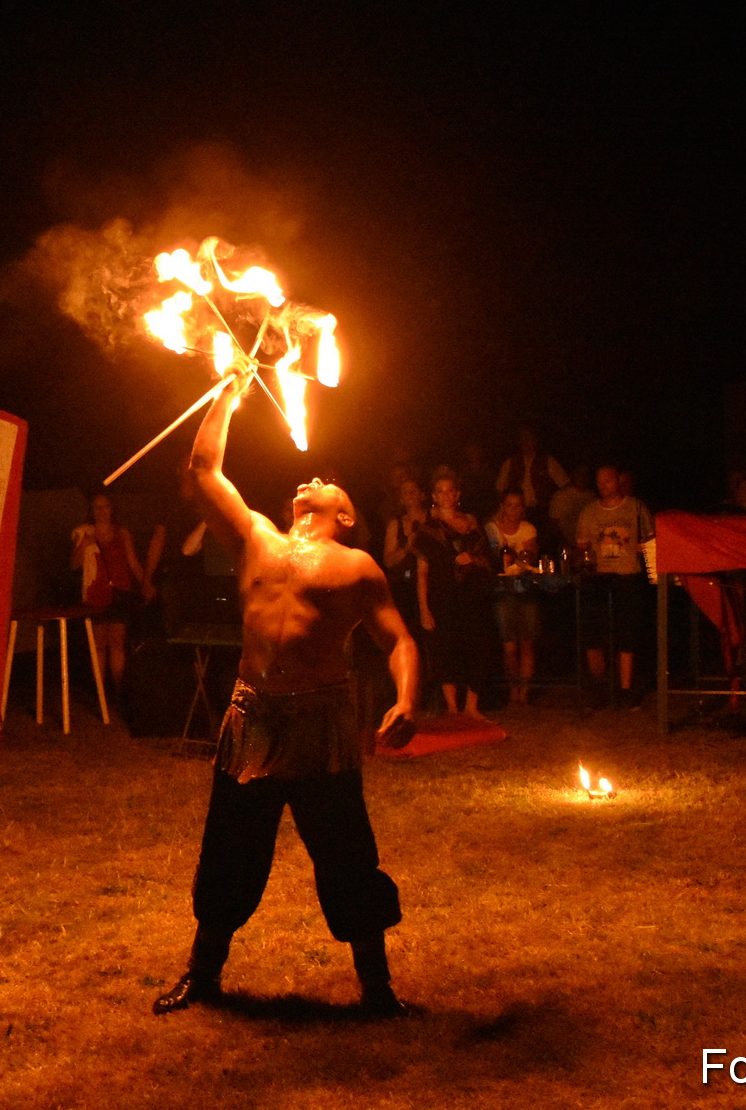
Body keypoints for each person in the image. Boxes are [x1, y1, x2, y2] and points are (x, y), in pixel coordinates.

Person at [154, 354, 419, 1018]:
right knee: (229, 852)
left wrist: (407, 699)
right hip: (252, 718)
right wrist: (229, 392)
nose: (311, 479)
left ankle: (378, 988)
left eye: (326, 482)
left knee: (346, 854)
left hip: (322, 723)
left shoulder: (357, 565)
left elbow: (400, 641)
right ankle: (203, 974)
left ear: (348, 512)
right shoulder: (256, 538)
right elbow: (203, 471)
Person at [416, 472, 498, 720]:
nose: (446, 495)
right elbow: (422, 573)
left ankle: (472, 707)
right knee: (446, 649)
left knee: (477, 646)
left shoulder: (473, 524)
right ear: (433, 496)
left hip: (473, 596)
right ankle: (452, 707)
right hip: (443, 595)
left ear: (458, 494)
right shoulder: (428, 530)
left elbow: (489, 560)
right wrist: (424, 608)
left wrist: (472, 558)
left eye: (450, 490)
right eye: (440, 491)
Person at [576, 465, 656, 706]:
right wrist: (583, 562)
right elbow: (582, 547)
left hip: (627, 575)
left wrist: (654, 574)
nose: (603, 486)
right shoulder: (589, 511)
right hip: (599, 577)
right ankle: (599, 685)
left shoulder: (636, 508)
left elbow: (650, 541)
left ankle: (625, 688)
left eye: (607, 481)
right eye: (599, 482)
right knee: (592, 630)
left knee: (627, 632)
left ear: (617, 481)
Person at [71, 492, 145, 699]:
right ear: (92, 511)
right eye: (97, 507)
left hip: (119, 592)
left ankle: (119, 692)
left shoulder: (122, 533)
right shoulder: (84, 533)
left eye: (105, 507)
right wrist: (84, 546)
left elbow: (132, 561)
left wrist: (145, 583)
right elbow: (74, 565)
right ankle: (101, 694)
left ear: (112, 509)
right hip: (96, 593)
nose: (102, 511)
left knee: (117, 642)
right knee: (98, 644)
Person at [485, 490, 540, 705]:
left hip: (525, 589)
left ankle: (524, 694)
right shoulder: (491, 530)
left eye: (518, 505)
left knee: (527, 642)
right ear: (502, 506)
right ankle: (512, 690)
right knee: (509, 645)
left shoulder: (528, 529)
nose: (514, 510)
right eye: (509, 505)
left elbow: (529, 558)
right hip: (502, 591)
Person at [382, 477, 430, 638]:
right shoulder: (396, 524)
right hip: (405, 586)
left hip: (431, 583)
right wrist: (407, 547)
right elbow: (388, 561)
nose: (409, 495)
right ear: (400, 499)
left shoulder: (433, 518)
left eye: (413, 491)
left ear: (422, 495)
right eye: (405, 492)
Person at [495, 427, 569, 524]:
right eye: (523, 439)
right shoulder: (510, 463)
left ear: (535, 441)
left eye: (529, 439)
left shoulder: (548, 461)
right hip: (516, 512)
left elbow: (565, 485)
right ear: (519, 442)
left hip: (542, 512)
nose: (526, 442)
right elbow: (499, 488)